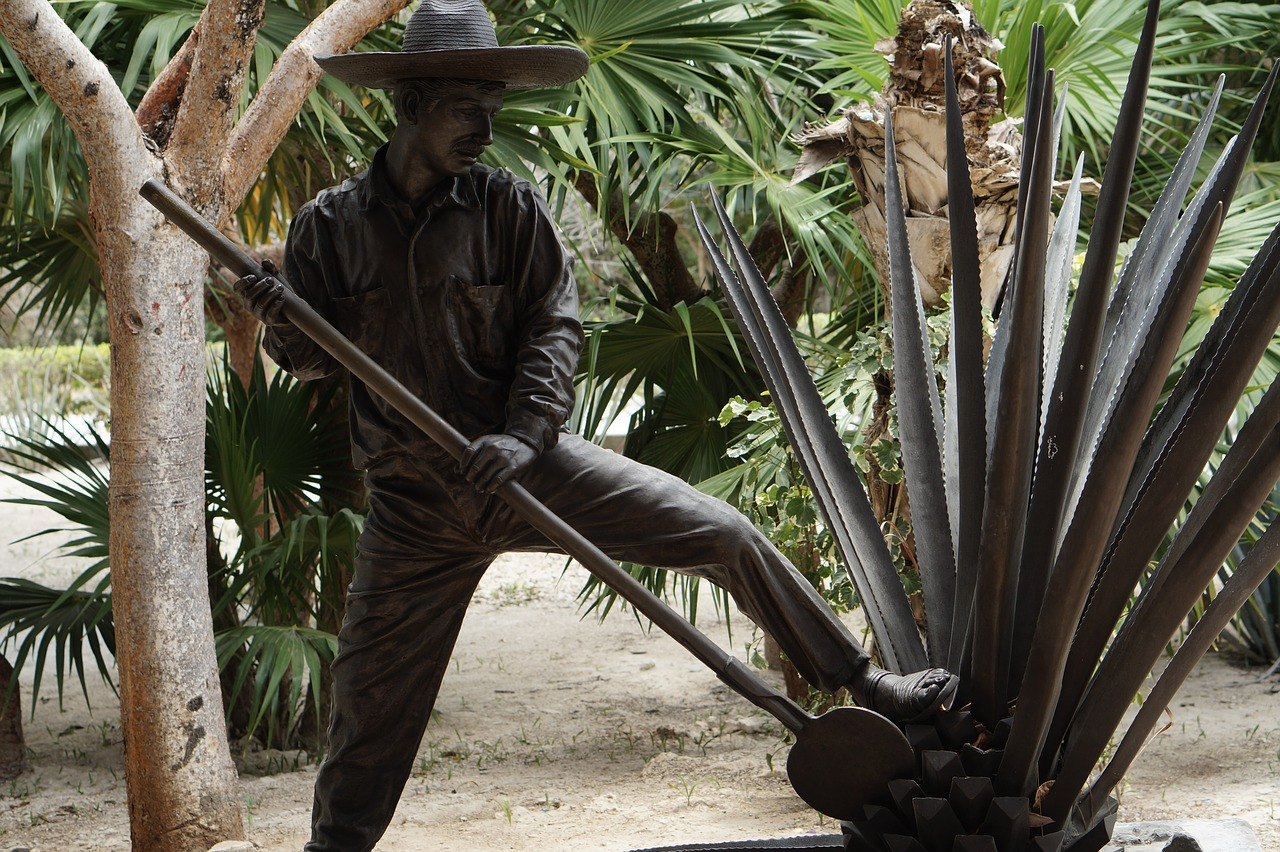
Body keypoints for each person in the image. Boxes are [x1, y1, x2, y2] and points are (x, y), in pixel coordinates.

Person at [235, 2, 956, 849]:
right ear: (410, 107)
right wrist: (278, 318)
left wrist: (524, 433)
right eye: (467, 108)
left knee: (721, 533)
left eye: (492, 108)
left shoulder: (509, 209)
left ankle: (865, 683)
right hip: (415, 508)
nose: (484, 125)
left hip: (528, 468)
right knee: (368, 713)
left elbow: (554, 325)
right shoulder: (330, 227)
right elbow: (312, 357)